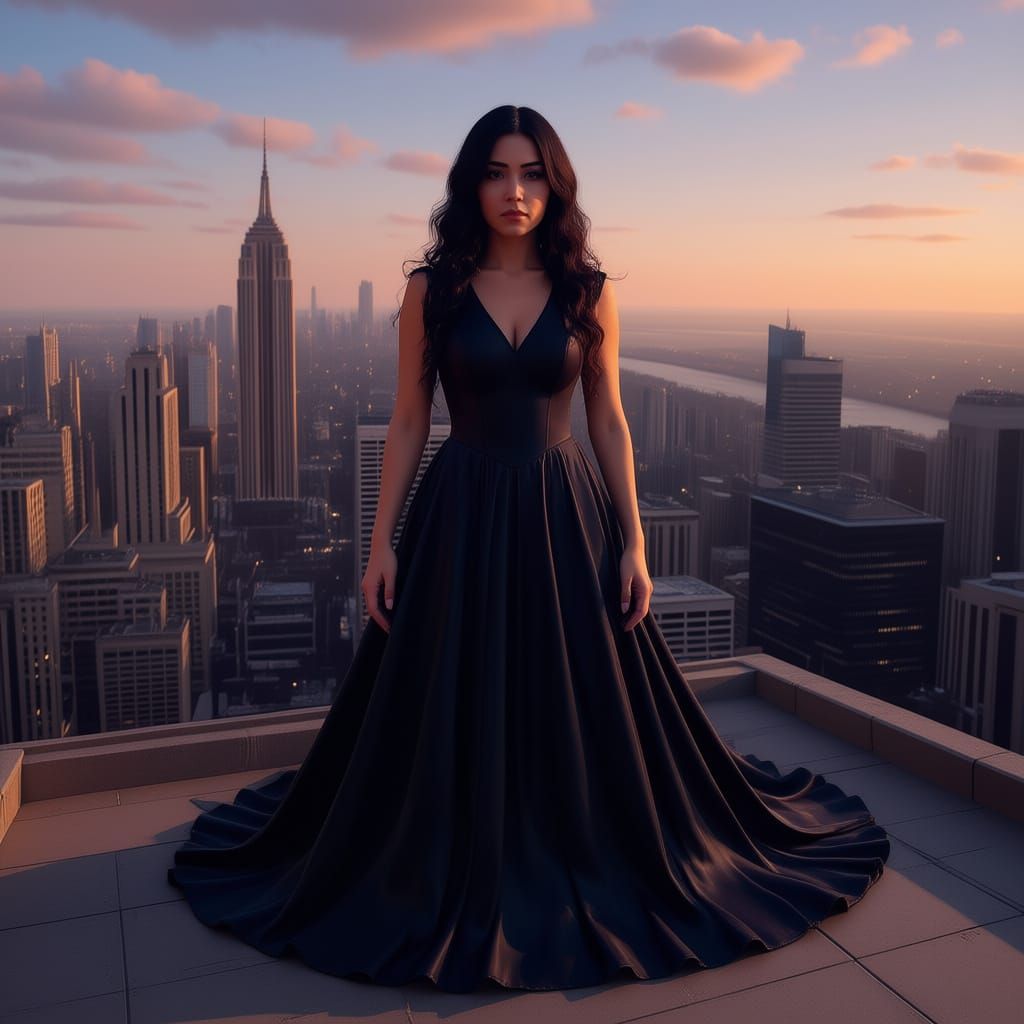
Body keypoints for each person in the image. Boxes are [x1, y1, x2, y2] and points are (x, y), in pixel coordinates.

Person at [167, 105, 890, 994]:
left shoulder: (589, 291)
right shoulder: (431, 291)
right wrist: (378, 543)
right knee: (450, 694)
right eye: (500, 172)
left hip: (564, 513)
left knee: (573, 694)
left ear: (556, 185)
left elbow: (609, 420)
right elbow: (404, 420)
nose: (517, 192)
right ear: (473, 184)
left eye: (534, 173)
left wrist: (634, 541)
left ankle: (576, 844)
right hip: (460, 514)